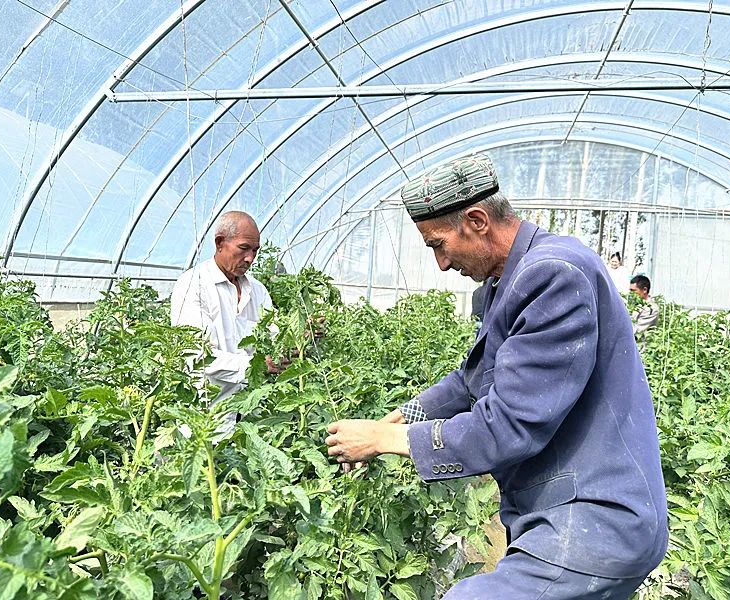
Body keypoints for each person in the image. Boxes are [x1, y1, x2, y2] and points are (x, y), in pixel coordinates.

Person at [324, 154, 668, 599]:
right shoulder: (509, 280)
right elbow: (469, 382)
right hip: (567, 516)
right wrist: (396, 419)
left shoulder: (554, 274)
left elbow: (508, 426)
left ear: (477, 220)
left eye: (439, 244)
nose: (442, 264)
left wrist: (384, 442)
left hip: (595, 520)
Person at [171, 211, 279, 433]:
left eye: (255, 251)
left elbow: (274, 338)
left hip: (252, 416)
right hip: (207, 419)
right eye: (243, 248)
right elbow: (198, 357)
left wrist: (298, 339)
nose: (250, 258)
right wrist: (257, 366)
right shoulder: (193, 285)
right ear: (220, 243)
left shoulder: (257, 290)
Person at [629, 274, 659, 338]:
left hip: (641, 345)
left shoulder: (651, 308)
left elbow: (637, 330)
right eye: (630, 290)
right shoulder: (635, 304)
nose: (631, 294)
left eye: (633, 291)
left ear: (645, 290)